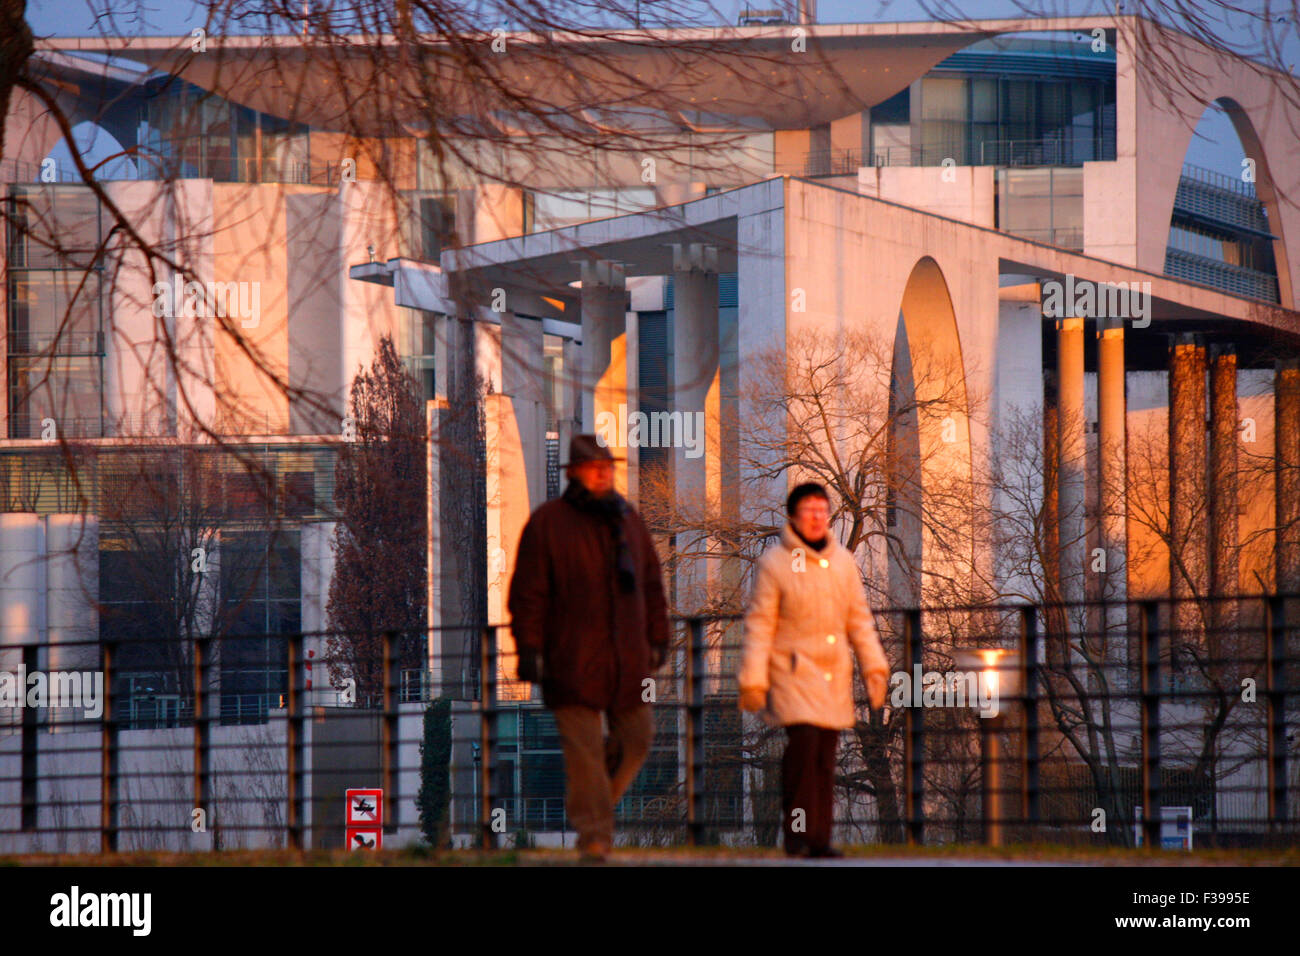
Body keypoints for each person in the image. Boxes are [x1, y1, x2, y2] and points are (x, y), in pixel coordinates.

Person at [508, 434, 669, 861]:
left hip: (625, 660)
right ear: (574, 473)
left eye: (607, 466)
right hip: (570, 660)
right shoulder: (548, 523)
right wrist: (529, 650)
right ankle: (594, 836)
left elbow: (652, 583)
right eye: (593, 466)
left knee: (637, 739)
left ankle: (595, 806)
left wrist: (658, 637)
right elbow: (528, 594)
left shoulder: (628, 519)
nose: (603, 473)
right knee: (582, 752)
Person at [738, 482, 890, 858]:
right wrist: (753, 679)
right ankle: (798, 835)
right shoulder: (775, 563)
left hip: (833, 676)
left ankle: (818, 839)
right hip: (793, 674)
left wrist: (875, 668)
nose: (817, 517)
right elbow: (760, 624)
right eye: (809, 510)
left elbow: (859, 621)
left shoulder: (843, 563)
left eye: (822, 510)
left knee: (824, 757)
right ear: (793, 516)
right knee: (804, 752)